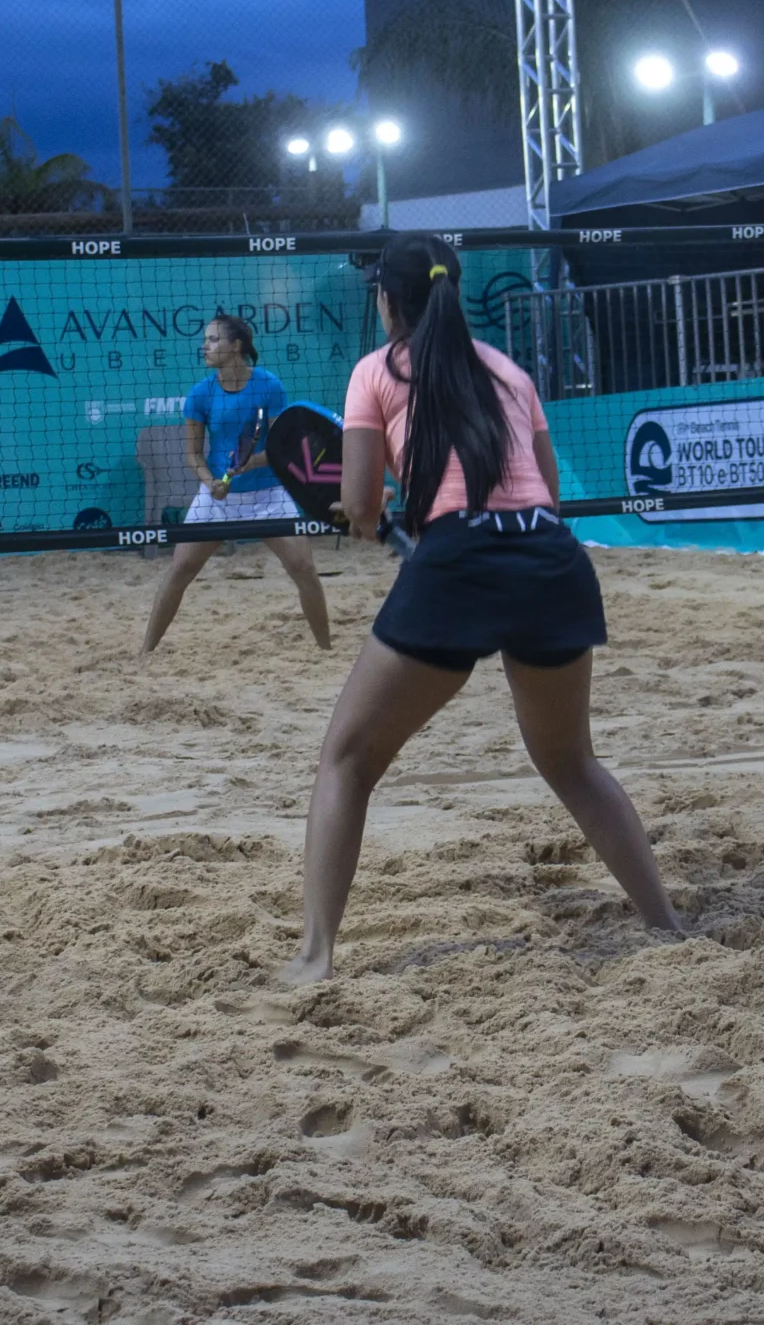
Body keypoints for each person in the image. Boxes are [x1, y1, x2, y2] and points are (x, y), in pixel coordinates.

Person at [281, 233, 681, 983]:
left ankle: (314, 956)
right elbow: (548, 494)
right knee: (572, 762)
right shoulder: (509, 370)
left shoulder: (376, 370)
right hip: (549, 558)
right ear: (454, 291)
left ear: (387, 302)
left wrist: (366, 516)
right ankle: (667, 925)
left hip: (459, 561)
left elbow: (360, 507)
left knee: (347, 761)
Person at [139, 313, 330, 655]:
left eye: (213, 340)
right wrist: (211, 482)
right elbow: (193, 455)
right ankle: (145, 652)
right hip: (217, 500)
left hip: (268, 496)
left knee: (304, 568)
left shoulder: (269, 386)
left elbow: (283, 448)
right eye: (205, 340)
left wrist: (251, 462)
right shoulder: (200, 394)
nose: (205, 346)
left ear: (236, 345)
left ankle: (326, 649)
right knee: (180, 569)